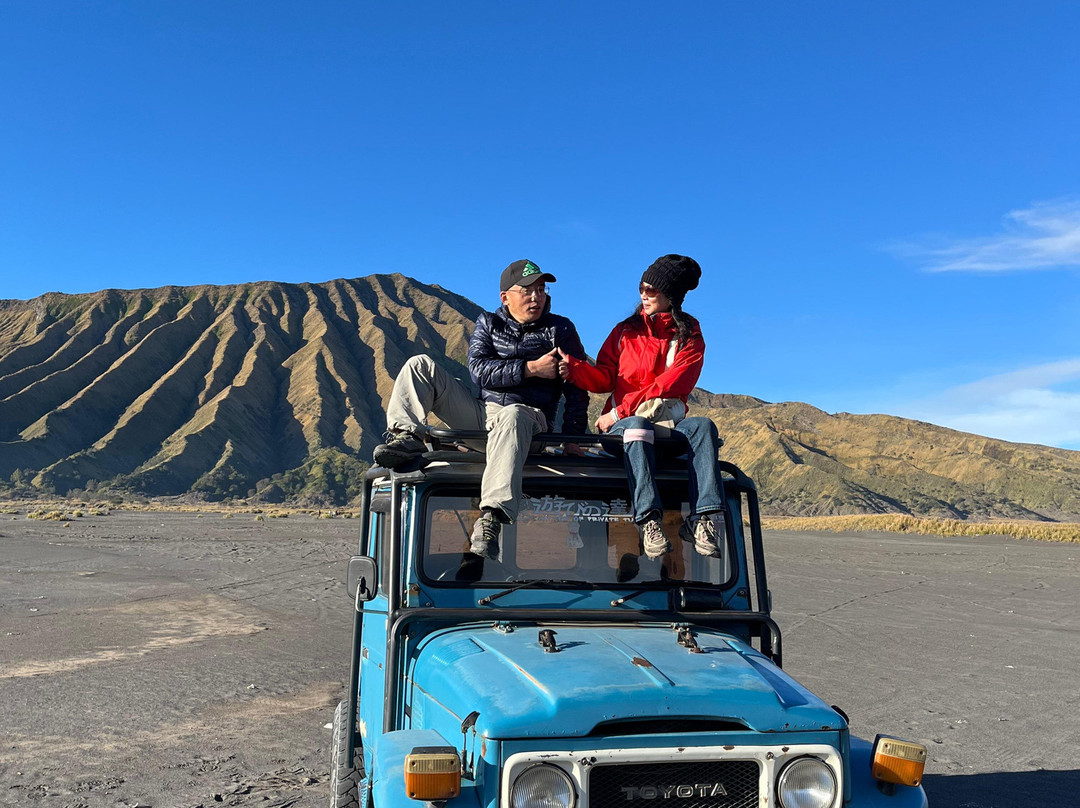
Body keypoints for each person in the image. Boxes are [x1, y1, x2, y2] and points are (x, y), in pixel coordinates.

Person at [373, 259, 589, 559]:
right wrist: (531, 369)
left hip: (531, 422)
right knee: (419, 365)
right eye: (527, 290)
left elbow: (577, 386)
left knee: (514, 413)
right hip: (483, 416)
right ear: (505, 297)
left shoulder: (560, 329)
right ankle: (405, 436)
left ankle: (492, 518)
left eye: (541, 289)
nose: (536, 297)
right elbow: (478, 371)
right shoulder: (488, 323)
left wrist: (573, 438)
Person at [557, 254, 726, 561]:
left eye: (651, 290)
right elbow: (606, 377)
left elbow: (673, 384)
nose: (643, 295)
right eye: (641, 287)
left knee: (703, 427)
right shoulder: (625, 331)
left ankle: (704, 520)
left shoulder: (690, 333)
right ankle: (649, 520)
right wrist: (576, 369)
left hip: (662, 425)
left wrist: (619, 412)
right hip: (626, 433)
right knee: (638, 427)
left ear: (671, 296)